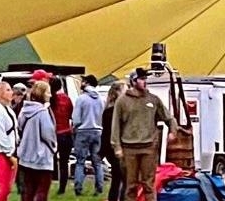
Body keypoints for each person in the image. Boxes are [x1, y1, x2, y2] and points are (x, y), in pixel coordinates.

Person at [112, 68, 171, 201]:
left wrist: (173, 130)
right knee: (130, 185)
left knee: (149, 185)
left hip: (149, 147)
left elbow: (168, 117)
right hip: (128, 148)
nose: (145, 82)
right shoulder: (122, 101)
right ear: (133, 81)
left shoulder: (153, 99)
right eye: (141, 79)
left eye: (145, 79)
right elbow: (115, 125)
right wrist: (117, 147)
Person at [17, 81, 57, 201]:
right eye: (48, 92)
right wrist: (54, 147)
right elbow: (48, 134)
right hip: (42, 158)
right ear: (42, 94)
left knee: (28, 191)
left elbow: (19, 127)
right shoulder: (42, 112)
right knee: (42, 191)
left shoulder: (24, 110)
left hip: (25, 156)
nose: (50, 95)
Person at [71, 75, 106, 195]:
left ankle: (78, 187)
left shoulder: (81, 99)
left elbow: (76, 119)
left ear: (87, 83)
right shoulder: (101, 99)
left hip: (83, 131)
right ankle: (99, 187)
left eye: (83, 81)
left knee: (80, 161)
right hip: (98, 131)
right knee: (97, 161)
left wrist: (75, 128)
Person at [100, 84, 126, 201]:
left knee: (117, 178)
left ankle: (115, 198)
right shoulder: (114, 112)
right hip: (116, 148)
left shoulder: (108, 111)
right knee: (123, 177)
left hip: (111, 148)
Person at [49, 77, 74, 195]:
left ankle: (48, 184)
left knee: (49, 162)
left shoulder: (50, 100)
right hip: (66, 133)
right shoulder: (67, 99)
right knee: (64, 163)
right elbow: (70, 115)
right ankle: (62, 188)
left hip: (53, 134)